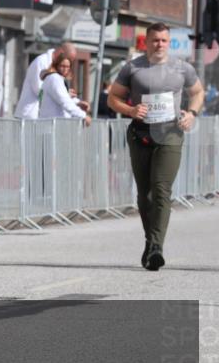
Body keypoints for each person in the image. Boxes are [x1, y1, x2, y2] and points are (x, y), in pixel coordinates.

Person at [107, 22, 204, 272]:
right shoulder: (133, 68)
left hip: (170, 134)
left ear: (169, 42)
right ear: (146, 41)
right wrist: (130, 109)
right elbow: (112, 97)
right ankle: (151, 243)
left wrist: (192, 113)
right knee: (145, 194)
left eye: (163, 40)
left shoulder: (182, 68)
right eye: (155, 40)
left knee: (161, 189)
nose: (159, 44)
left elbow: (197, 92)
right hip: (141, 134)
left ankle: (156, 248)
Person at [15, 41, 78, 119]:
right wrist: (63, 94)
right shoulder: (42, 62)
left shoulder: (57, 67)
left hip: (43, 117)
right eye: (68, 59)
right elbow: (39, 90)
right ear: (61, 52)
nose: (68, 64)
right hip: (30, 116)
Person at [38, 52, 92, 126]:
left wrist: (78, 102)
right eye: (62, 66)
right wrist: (83, 115)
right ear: (56, 65)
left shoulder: (54, 78)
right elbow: (64, 101)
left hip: (52, 125)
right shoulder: (55, 78)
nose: (65, 69)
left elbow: (61, 97)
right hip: (52, 126)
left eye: (68, 66)